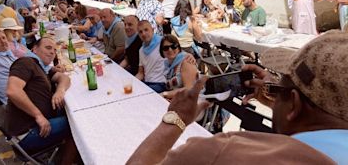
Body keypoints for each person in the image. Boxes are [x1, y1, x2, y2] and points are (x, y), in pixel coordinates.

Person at [128, 30, 348, 164]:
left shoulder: (227, 152)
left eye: (280, 83)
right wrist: (277, 96)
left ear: (294, 105)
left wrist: (175, 120)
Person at [4, 37, 79, 164]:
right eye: (48, 48)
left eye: (54, 50)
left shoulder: (41, 67)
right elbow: (13, 90)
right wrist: (38, 115)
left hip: (37, 123)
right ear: (34, 49)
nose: (52, 52)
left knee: (72, 112)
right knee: (77, 126)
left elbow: (64, 78)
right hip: (27, 133)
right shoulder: (25, 62)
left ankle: (67, 153)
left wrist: (59, 91)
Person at [160, 35, 199, 100]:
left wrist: (165, 94)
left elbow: (189, 89)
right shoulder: (167, 65)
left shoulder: (186, 61)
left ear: (178, 48)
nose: (170, 50)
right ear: (162, 52)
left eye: (173, 46)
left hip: (191, 103)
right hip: (177, 101)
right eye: (166, 48)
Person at [135, 20, 166, 93]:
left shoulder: (163, 42)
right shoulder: (141, 50)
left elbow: (178, 51)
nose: (144, 34)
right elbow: (140, 73)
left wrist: (189, 56)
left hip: (161, 83)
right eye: (140, 32)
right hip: (147, 82)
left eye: (146, 30)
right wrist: (133, 82)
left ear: (152, 30)